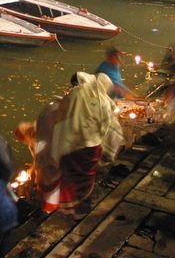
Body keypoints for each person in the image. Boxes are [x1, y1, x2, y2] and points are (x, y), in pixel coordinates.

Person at [46, 72, 123, 213]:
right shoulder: (105, 101)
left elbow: (62, 113)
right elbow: (105, 128)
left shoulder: (76, 93)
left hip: (71, 144)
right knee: (84, 179)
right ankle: (81, 206)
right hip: (92, 148)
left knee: (69, 177)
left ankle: (66, 208)